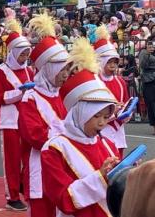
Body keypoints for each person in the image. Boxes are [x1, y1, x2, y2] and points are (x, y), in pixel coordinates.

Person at [42, 38, 120, 217]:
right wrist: (101, 178)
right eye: (96, 116)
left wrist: (126, 173)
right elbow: (63, 199)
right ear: (80, 113)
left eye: (106, 117)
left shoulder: (108, 144)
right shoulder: (55, 149)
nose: (102, 123)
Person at [19, 13, 70, 217]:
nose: (66, 75)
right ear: (48, 69)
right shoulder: (30, 98)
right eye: (62, 70)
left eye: (68, 69)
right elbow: (34, 136)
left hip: (63, 166)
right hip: (39, 167)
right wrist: (65, 134)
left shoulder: (63, 95)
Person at [0, 17, 33, 211]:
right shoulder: (2, 71)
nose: (25, 57)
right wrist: (21, 92)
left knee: (27, 158)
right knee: (11, 161)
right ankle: (12, 196)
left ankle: (24, 186)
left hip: (26, 121)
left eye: (27, 53)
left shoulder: (29, 71)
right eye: (22, 54)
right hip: (9, 122)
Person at [93, 25, 129, 154]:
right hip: (103, 129)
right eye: (109, 62)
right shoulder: (95, 82)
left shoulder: (120, 81)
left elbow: (125, 101)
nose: (113, 65)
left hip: (118, 129)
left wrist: (126, 113)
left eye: (115, 61)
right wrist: (113, 111)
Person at [139, 39, 155, 134]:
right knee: (151, 104)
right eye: (150, 46)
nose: (152, 48)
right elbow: (143, 65)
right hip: (148, 81)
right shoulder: (143, 54)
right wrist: (148, 54)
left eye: (153, 46)